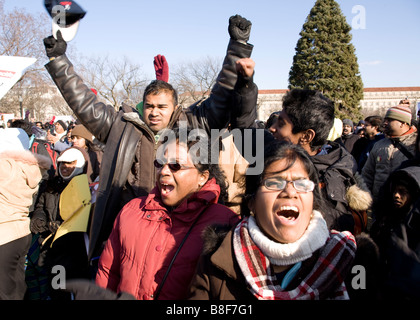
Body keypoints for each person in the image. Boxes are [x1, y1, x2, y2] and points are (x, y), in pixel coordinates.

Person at [43, 15, 257, 262]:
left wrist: (238, 45)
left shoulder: (196, 123)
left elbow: (222, 92)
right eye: (149, 106)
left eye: (162, 106)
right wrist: (58, 60)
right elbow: (83, 101)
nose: (154, 112)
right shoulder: (120, 127)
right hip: (130, 232)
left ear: (175, 107)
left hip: (182, 235)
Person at [188, 141, 359, 300]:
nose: (290, 192)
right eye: (275, 183)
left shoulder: (350, 260)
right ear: (252, 203)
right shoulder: (217, 259)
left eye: (301, 184)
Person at [95, 129, 239, 300]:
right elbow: (107, 274)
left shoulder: (225, 223)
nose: (163, 171)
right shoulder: (132, 211)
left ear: (202, 177)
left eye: (175, 166)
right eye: (160, 163)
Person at [268, 89, 372, 234]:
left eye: (281, 124)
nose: (272, 128)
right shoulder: (277, 156)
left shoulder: (331, 181)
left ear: (306, 136)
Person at [30, 146, 95, 299]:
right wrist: (40, 219)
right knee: (56, 289)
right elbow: (40, 206)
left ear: (79, 164)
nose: (65, 167)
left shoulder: (87, 188)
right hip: (50, 247)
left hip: (74, 250)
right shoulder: (51, 185)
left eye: (70, 163)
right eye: (61, 163)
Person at [0, 128, 51, 299]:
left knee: (4, 289)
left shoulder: (6, 166)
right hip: (21, 232)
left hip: (4, 233)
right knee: (16, 285)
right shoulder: (28, 169)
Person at [370, 166, 420, 299]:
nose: (396, 195)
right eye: (395, 190)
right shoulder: (385, 219)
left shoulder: (415, 226)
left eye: (402, 191)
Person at [362, 103, 418, 203]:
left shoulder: (415, 145)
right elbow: (367, 174)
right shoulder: (379, 145)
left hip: (407, 206)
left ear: (402, 123)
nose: (385, 123)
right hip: (380, 205)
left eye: (389, 120)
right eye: (385, 120)